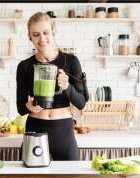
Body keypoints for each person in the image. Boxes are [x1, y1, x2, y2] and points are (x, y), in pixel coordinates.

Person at [16, 12, 87, 161]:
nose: (41, 39)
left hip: (63, 131)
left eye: (46, 32)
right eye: (36, 35)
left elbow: (81, 103)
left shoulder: (71, 61)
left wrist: (67, 86)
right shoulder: (25, 66)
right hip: (35, 129)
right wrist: (28, 106)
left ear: (53, 31)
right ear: (30, 37)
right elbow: (20, 107)